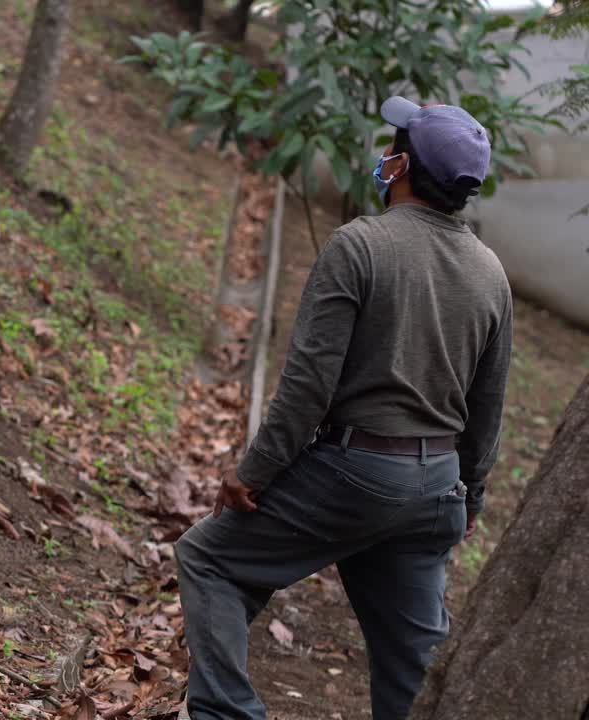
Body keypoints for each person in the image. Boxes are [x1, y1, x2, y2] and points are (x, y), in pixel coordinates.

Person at [175, 97, 513, 720]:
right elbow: (487, 406)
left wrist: (252, 472)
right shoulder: (491, 274)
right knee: (413, 670)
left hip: (356, 475)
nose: (384, 157)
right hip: (436, 489)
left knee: (210, 558)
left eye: (392, 147)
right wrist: (473, 497)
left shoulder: (359, 246)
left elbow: (307, 389)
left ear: (401, 164)